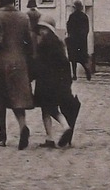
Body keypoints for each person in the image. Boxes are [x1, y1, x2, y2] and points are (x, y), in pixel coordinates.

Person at [0, 0, 34, 148]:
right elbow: (29, 41)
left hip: (0, 61)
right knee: (17, 98)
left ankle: (2, 135)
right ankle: (22, 126)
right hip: (19, 62)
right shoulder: (23, 17)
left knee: (0, 98)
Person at [30, 14, 81, 148]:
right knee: (48, 109)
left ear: (47, 30)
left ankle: (63, 128)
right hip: (59, 82)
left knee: (48, 109)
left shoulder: (43, 45)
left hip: (45, 83)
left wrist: (31, 76)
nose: (41, 31)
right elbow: (64, 63)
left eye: (43, 29)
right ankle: (49, 138)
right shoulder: (59, 43)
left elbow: (38, 64)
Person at [65, 0, 93, 81]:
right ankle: (87, 71)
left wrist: (70, 35)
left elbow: (68, 27)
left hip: (73, 41)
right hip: (81, 42)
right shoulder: (84, 16)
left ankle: (74, 75)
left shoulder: (72, 16)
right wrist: (83, 37)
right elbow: (87, 29)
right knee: (82, 59)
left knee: (73, 59)